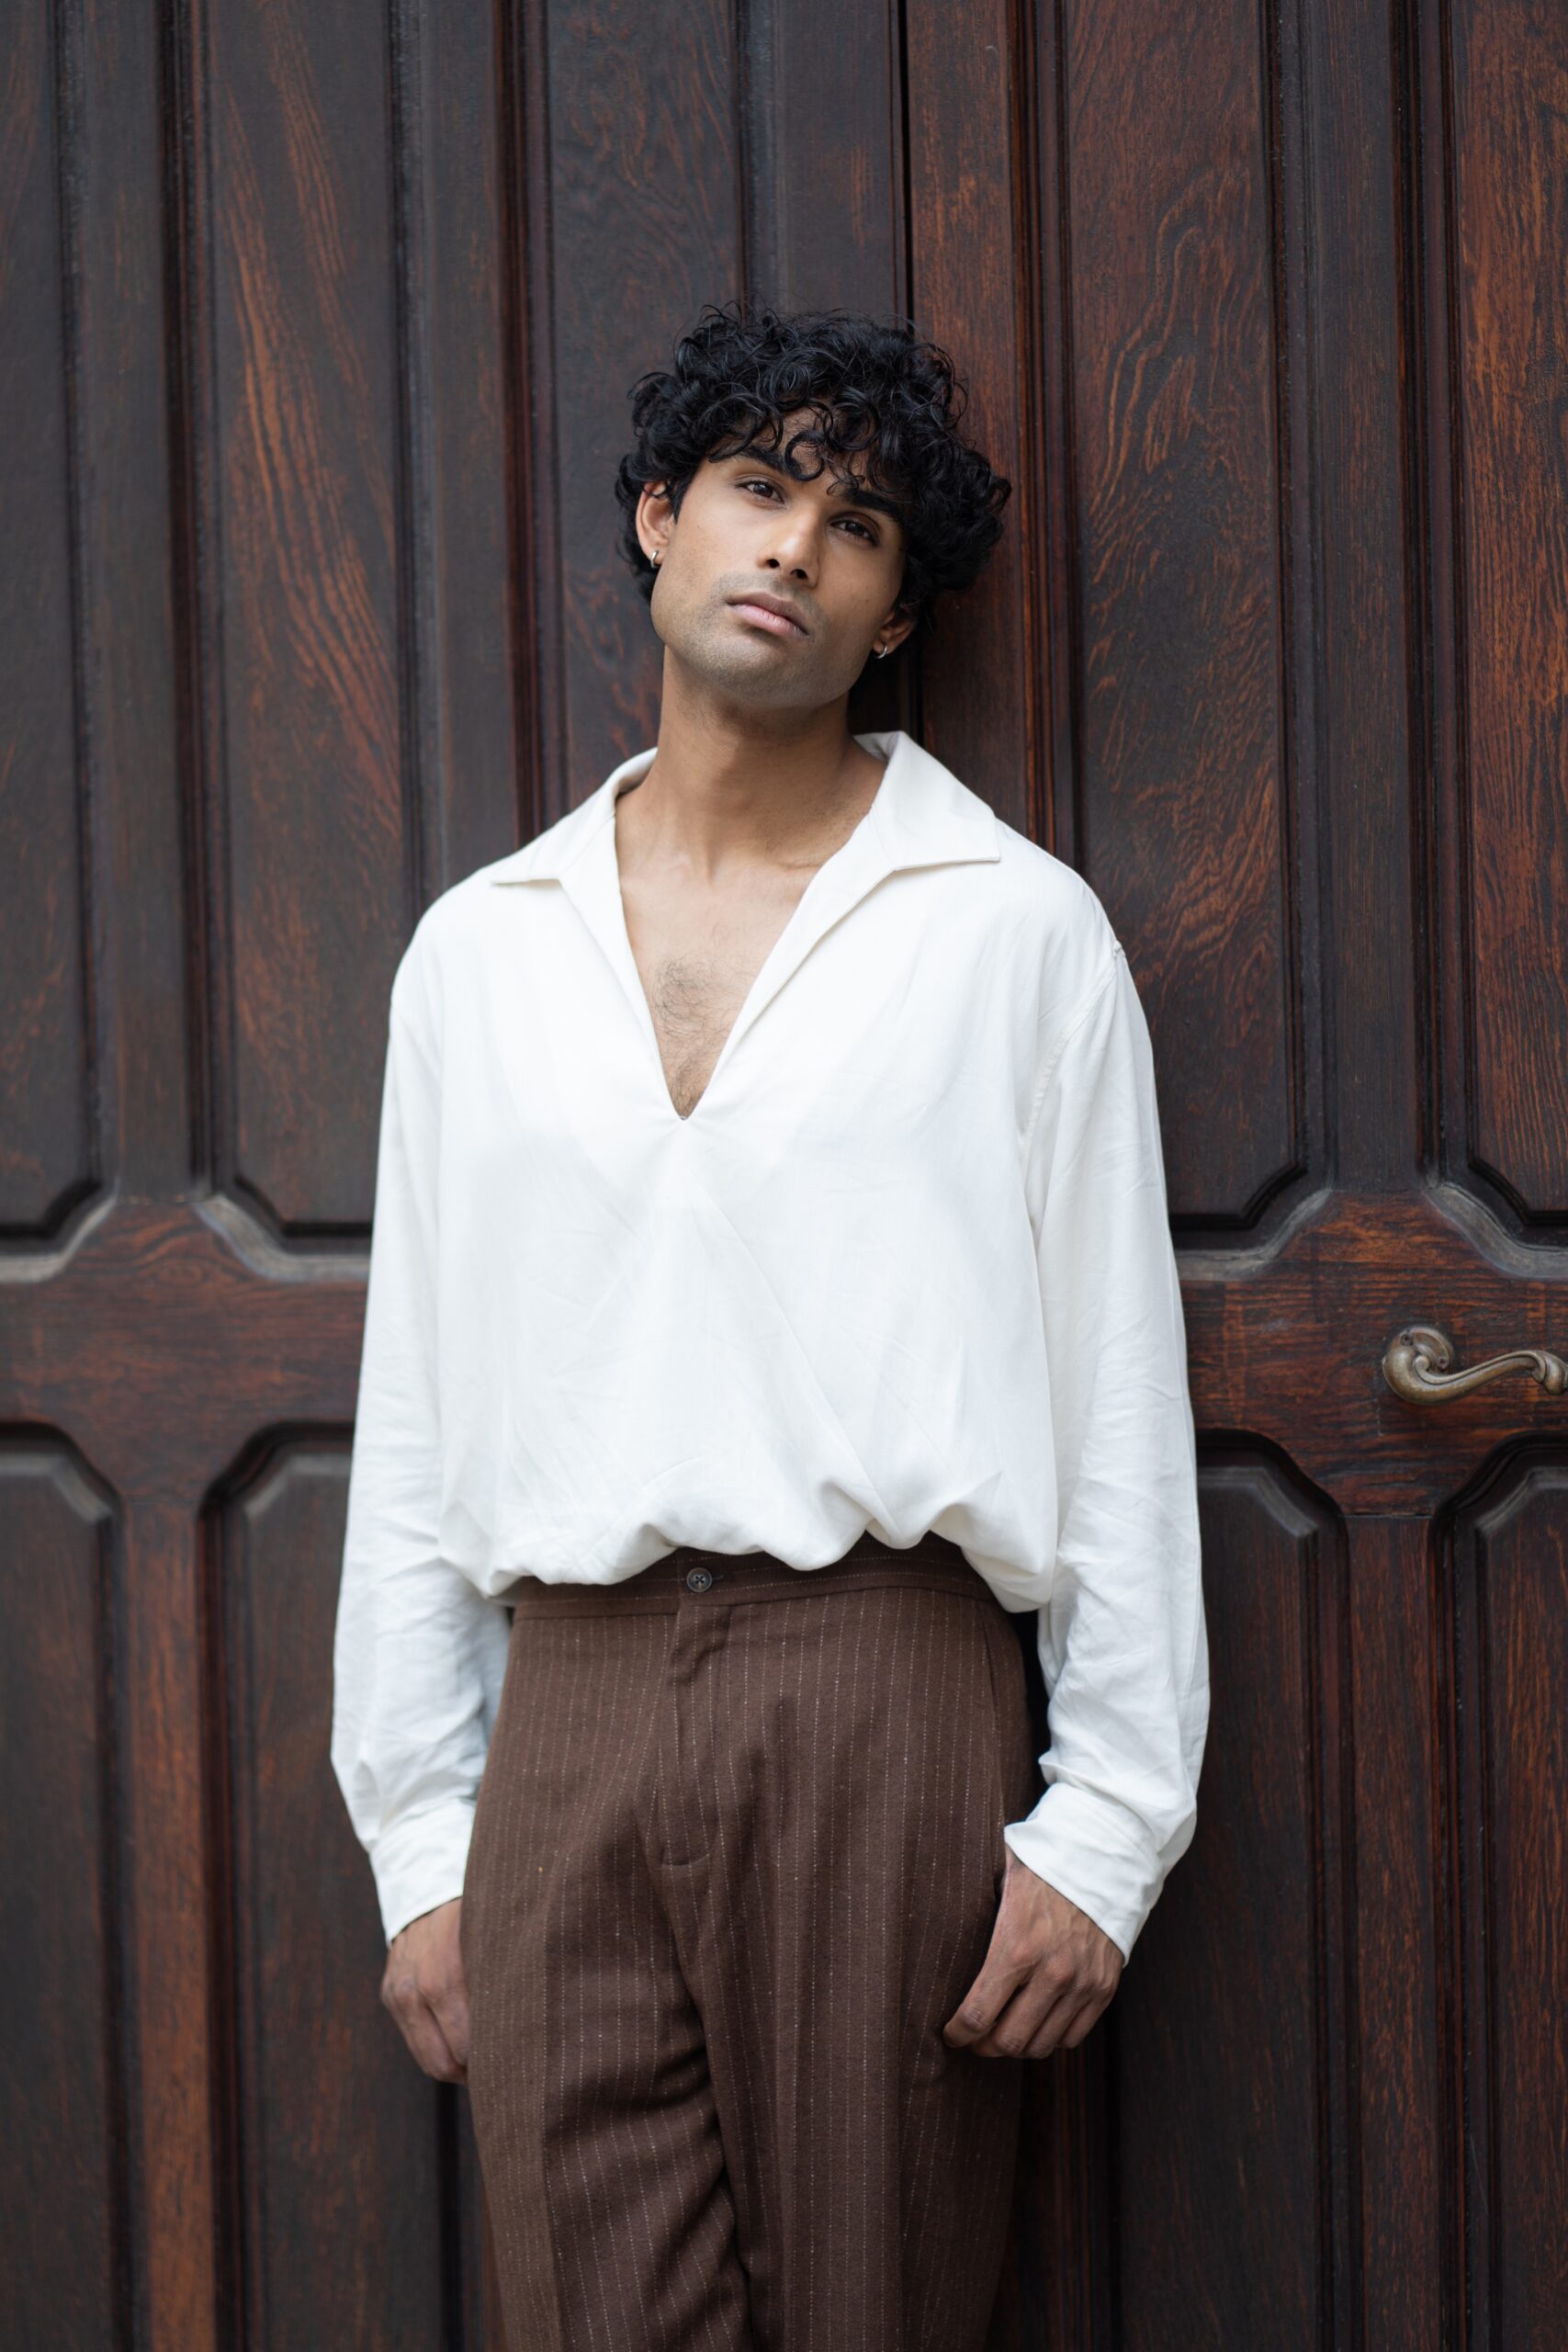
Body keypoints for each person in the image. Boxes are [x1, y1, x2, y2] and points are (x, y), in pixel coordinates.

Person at [331, 300, 1208, 2350]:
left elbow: (1115, 1401)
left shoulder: (1013, 931)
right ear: (661, 515)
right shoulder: (479, 954)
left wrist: (1108, 1823)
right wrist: (421, 1837)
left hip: (880, 1699)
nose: (795, 545)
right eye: (758, 487)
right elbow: (419, 1408)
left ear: (895, 613)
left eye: (859, 524)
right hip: (568, 1712)